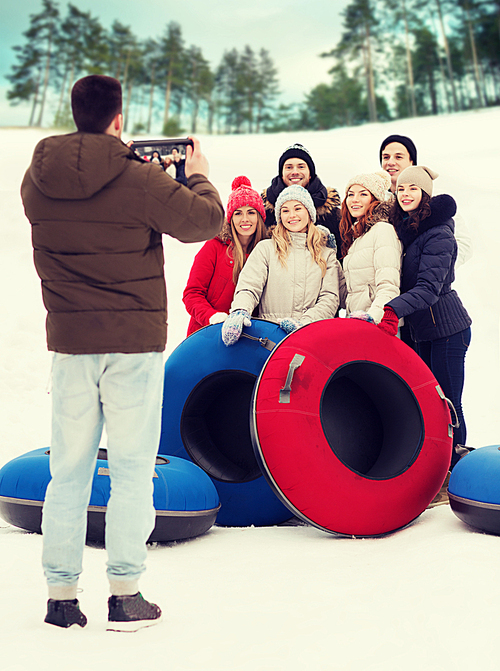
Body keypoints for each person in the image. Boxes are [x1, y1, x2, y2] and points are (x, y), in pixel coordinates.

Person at [20, 75, 224, 631]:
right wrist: (195, 170)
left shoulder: (35, 182)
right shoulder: (139, 180)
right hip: (132, 348)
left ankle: (61, 598)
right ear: (118, 117)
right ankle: (125, 596)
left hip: (70, 346)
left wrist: (123, 161)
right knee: (132, 471)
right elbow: (208, 220)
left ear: (74, 111)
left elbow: (87, 192)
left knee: (68, 473)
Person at [378, 166, 472, 468]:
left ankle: (455, 472)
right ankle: (437, 467)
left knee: (449, 405)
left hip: (447, 329)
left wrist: (392, 308)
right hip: (424, 330)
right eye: (401, 189)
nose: (405, 194)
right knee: (430, 404)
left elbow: (429, 289)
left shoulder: (439, 234)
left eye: (412, 189)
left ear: (425, 194)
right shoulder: (409, 229)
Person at [222, 185, 343, 346]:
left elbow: (330, 298)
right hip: (269, 337)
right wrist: (240, 310)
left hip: (311, 337)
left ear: (309, 212)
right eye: (285, 210)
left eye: (297, 208)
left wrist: (304, 324)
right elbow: (249, 287)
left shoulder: (326, 254)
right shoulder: (266, 248)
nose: (291, 215)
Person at [183, 176, 268, 336]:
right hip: (207, 332)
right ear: (230, 218)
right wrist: (212, 317)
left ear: (259, 217)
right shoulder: (214, 247)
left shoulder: (266, 251)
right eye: (238, 213)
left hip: (248, 337)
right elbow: (192, 293)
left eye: (251, 212)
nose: (245, 219)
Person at [379, 134, 472, 269]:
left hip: (427, 284)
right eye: (386, 157)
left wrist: (432, 269)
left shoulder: (435, 198)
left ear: (412, 162)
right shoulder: (378, 201)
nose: (390, 162)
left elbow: (464, 244)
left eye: (398, 157)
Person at [339, 171, 402, 323]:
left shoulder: (383, 230)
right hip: (357, 323)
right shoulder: (356, 236)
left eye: (363, 194)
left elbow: (389, 286)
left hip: (377, 324)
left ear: (375, 199)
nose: (355, 200)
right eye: (350, 194)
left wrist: (372, 318)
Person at [261, 143, 342, 253]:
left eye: (301, 166)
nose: (295, 172)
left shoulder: (332, 213)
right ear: (282, 174)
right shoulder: (265, 211)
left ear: (310, 174)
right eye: (289, 167)